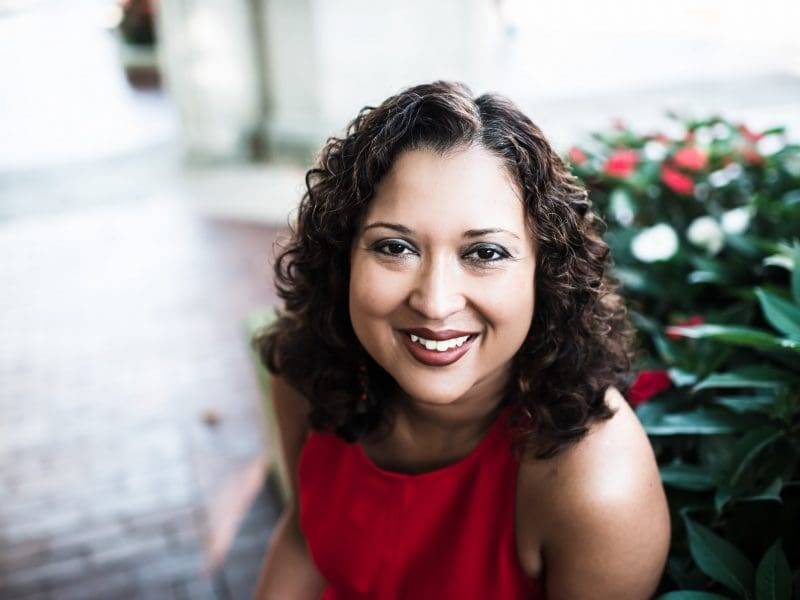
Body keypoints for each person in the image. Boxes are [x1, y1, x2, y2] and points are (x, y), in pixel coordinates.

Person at [253, 81, 671, 599]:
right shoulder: (306, 374)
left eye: (486, 254)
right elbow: (302, 536)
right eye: (395, 246)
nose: (435, 301)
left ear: (545, 273)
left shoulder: (595, 483)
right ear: (343, 257)